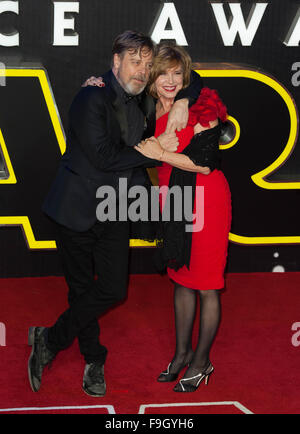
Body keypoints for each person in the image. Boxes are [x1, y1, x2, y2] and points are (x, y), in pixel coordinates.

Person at [27, 31, 203, 397]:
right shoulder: (91, 96)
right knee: (81, 291)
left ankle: (49, 337)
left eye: (146, 63)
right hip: (74, 210)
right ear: (116, 61)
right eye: (134, 61)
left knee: (112, 289)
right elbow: (105, 158)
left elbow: (193, 78)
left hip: (115, 209)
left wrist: (184, 100)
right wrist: (155, 151)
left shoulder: (142, 98)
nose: (142, 70)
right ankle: (93, 358)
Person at [134, 43, 232, 392]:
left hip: (207, 200)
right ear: (152, 77)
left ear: (186, 76)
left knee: (205, 284)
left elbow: (206, 164)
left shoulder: (202, 107)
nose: (171, 81)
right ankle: (182, 354)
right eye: (164, 74)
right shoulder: (146, 107)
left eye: (178, 74)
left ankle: (202, 361)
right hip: (172, 200)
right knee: (181, 279)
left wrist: (160, 152)